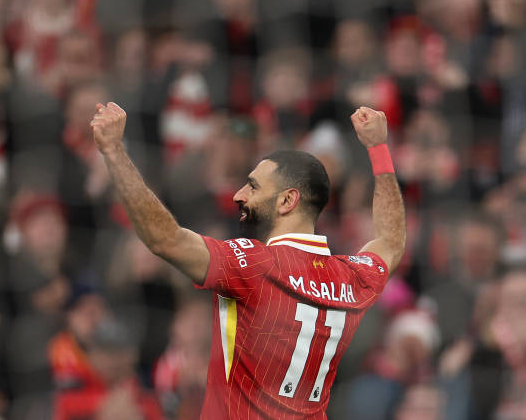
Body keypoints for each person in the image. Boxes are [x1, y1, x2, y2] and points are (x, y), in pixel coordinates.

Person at [90, 102, 406, 419]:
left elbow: (164, 238)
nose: (238, 194)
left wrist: (114, 152)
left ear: (287, 200)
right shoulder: (349, 277)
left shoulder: (253, 264)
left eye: (253, 186)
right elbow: (391, 242)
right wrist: (378, 148)